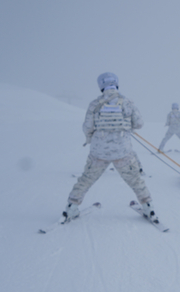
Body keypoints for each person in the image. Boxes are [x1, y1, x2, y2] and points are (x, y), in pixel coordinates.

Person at [64, 72, 160, 223]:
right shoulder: (127, 102)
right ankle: (149, 208)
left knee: (86, 179)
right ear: (116, 83)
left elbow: (87, 127)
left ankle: (70, 209)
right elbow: (140, 123)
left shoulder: (95, 104)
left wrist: (90, 138)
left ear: (101, 86)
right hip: (123, 151)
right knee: (135, 180)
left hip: (98, 151)